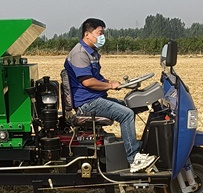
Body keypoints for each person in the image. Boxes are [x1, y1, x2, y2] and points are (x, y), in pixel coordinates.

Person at [64, 18, 157, 173]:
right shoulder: (79, 53)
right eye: (99, 33)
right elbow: (87, 82)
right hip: (88, 102)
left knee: (129, 107)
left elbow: (96, 77)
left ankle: (134, 148)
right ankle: (134, 159)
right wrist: (109, 86)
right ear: (87, 34)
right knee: (126, 114)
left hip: (94, 98)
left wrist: (113, 82)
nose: (102, 37)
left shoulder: (91, 53)